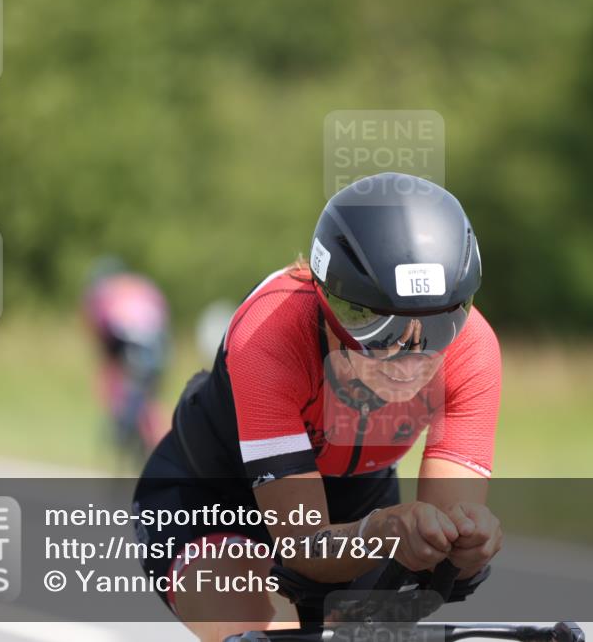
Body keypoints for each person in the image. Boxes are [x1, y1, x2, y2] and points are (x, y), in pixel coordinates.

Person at [134, 173, 502, 642]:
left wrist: (467, 546)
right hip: (212, 498)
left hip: (359, 501)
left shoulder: (473, 351)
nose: (409, 356)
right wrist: (387, 531)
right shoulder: (270, 334)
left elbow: (444, 551)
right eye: (377, 326)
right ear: (329, 300)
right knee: (255, 631)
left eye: (439, 324)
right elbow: (304, 548)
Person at [83, 257, 170, 455]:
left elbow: (103, 336)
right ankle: (159, 442)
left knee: (125, 392)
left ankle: (124, 430)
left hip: (130, 346)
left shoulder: (103, 293)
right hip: (158, 346)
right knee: (150, 399)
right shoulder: (144, 286)